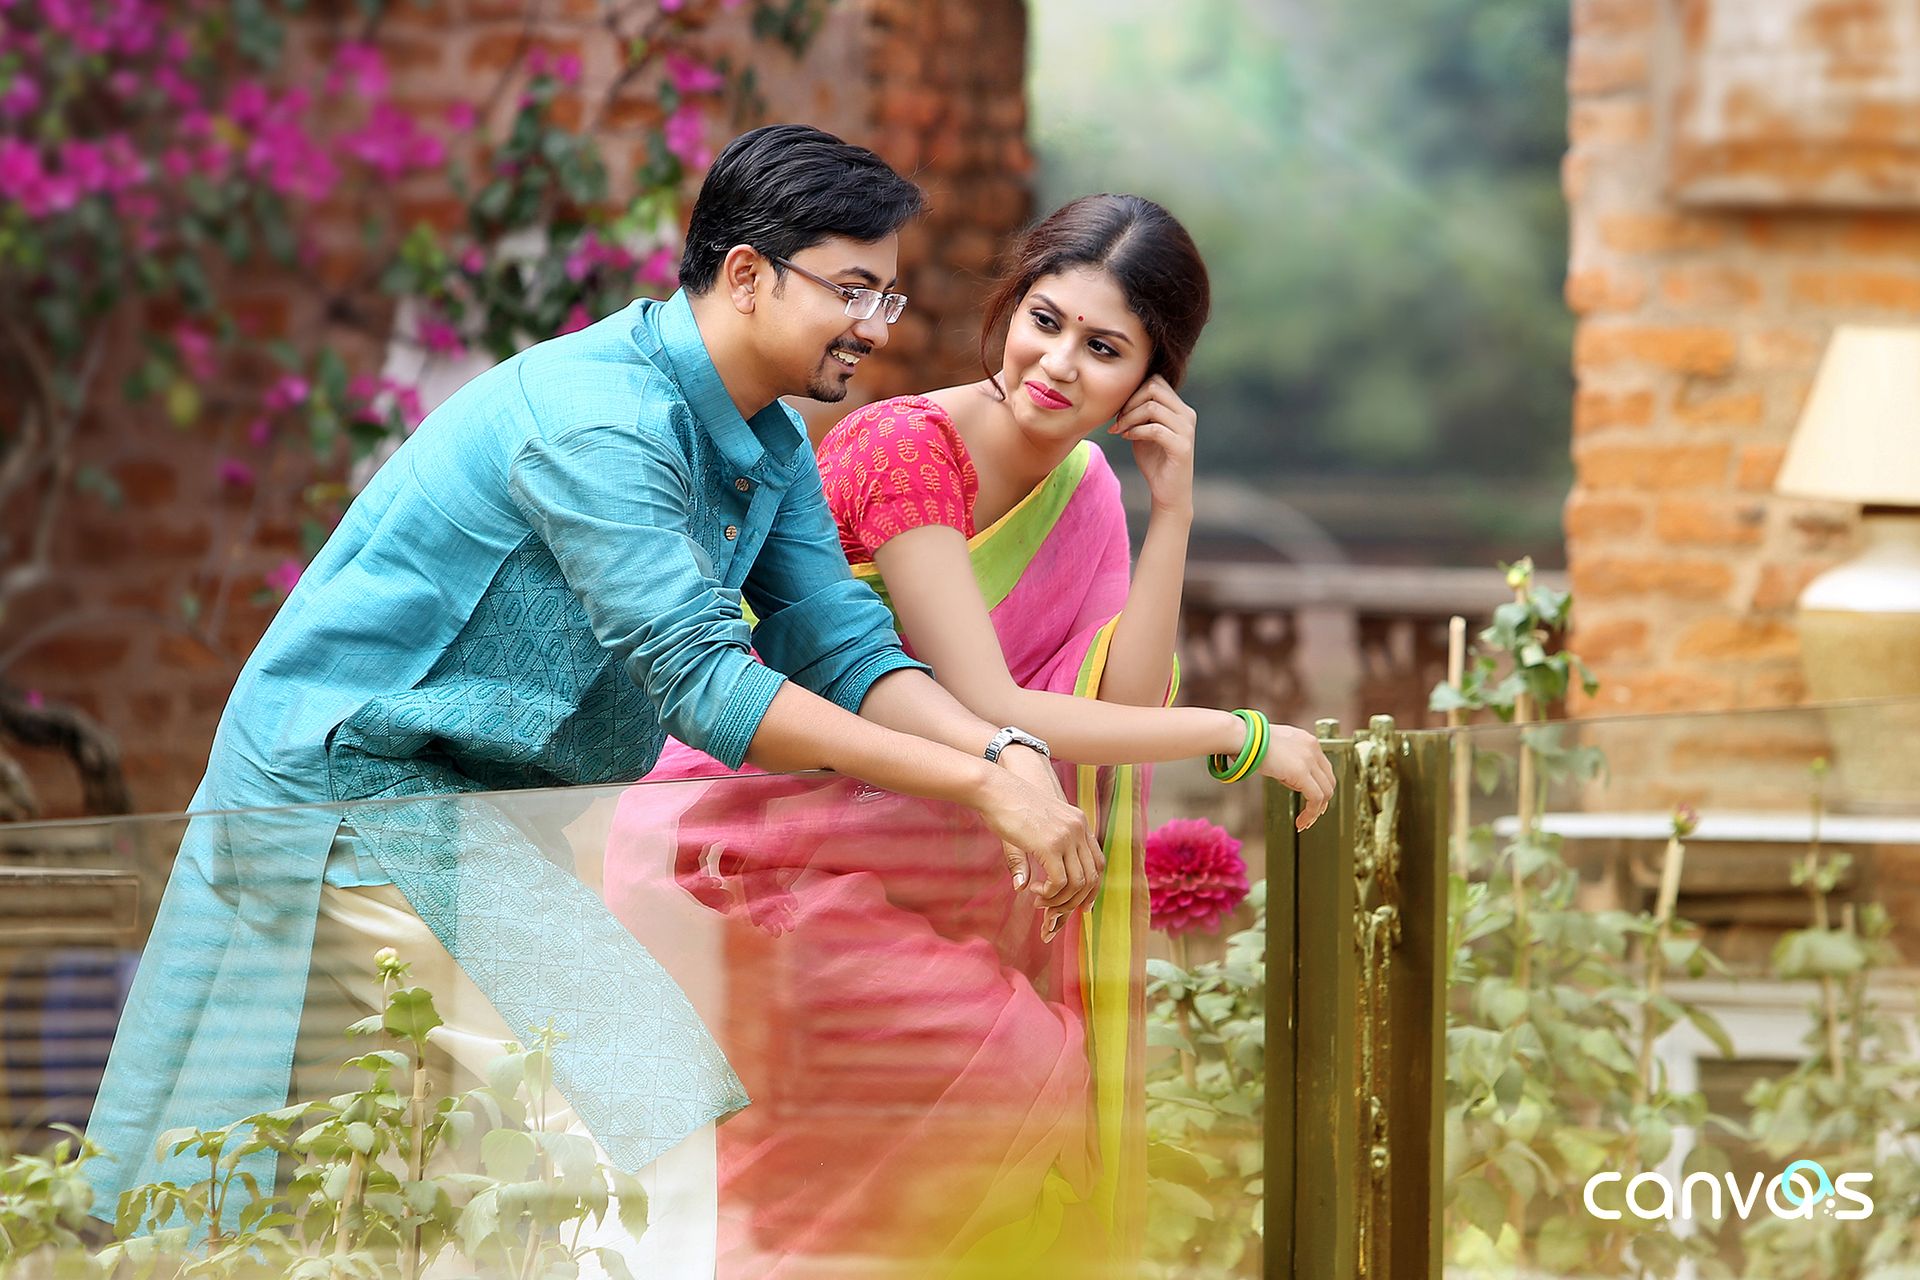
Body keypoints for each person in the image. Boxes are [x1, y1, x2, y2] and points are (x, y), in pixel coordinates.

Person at [80, 125, 1103, 1276]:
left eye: (888, 291)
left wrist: (1004, 747)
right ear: (749, 275)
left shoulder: (764, 437)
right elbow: (706, 680)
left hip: (487, 813)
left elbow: (841, 640)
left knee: (433, 1148)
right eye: (853, 289)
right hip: (358, 790)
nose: (878, 325)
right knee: (612, 1106)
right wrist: (978, 782)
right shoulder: (602, 421)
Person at [604, 193, 1333, 1275]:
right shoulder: (907, 446)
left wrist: (1171, 508)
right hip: (749, 855)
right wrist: (1239, 733)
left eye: (1104, 348)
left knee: (990, 1093)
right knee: (1006, 1063)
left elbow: (1115, 700)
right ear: (1009, 305)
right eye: (1045, 319)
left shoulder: (1082, 482)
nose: (1057, 365)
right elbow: (993, 705)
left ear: (1151, 379)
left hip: (887, 869)